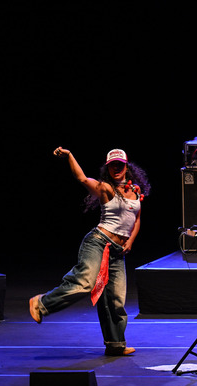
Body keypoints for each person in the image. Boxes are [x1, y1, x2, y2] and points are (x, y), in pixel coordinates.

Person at [29, 147, 150, 356]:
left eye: (120, 165)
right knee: (84, 284)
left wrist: (130, 241)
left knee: (116, 300)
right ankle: (41, 303)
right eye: (112, 165)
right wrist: (69, 156)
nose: (116, 168)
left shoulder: (136, 190)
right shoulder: (104, 187)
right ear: (108, 168)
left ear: (126, 167)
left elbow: (137, 219)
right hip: (98, 243)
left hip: (118, 251)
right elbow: (82, 178)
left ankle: (115, 344)